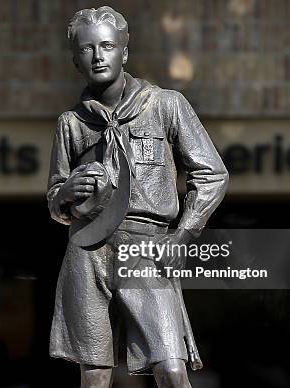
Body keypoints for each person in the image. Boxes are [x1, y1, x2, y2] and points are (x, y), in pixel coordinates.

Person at [47, 6, 229, 388]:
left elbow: (211, 174)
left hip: (144, 245)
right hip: (86, 249)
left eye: (107, 46)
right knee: (93, 373)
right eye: (86, 49)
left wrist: (182, 236)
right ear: (75, 60)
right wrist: (64, 193)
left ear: (124, 53)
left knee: (171, 368)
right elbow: (55, 200)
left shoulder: (165, 105)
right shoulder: (72, 123)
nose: (98, 55)